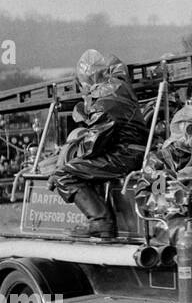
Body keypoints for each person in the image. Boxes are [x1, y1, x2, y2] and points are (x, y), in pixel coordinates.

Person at [48, 50, 149, 239]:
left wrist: (69, 158)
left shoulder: (105, 101)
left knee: (64, 174)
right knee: (81, 169)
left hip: (124, 156)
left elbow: (93, 146)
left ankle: (100, 222)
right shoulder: (121, 90)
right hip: (132, 153)